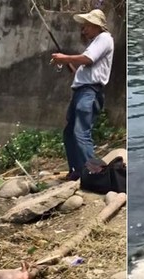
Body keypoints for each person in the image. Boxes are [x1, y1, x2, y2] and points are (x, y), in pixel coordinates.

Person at [51, 9, 114, 181]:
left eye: (87, 26)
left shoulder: (104, 39)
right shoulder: (95, 42)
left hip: (89, 92)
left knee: (81, 133)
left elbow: (88, 59)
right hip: (81, 91)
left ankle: (96, 175)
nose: (84, 29)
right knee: (69, 133)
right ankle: (77, 171)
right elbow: (86, 68)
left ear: (96, 26)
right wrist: (69, 64)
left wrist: (64, 58)